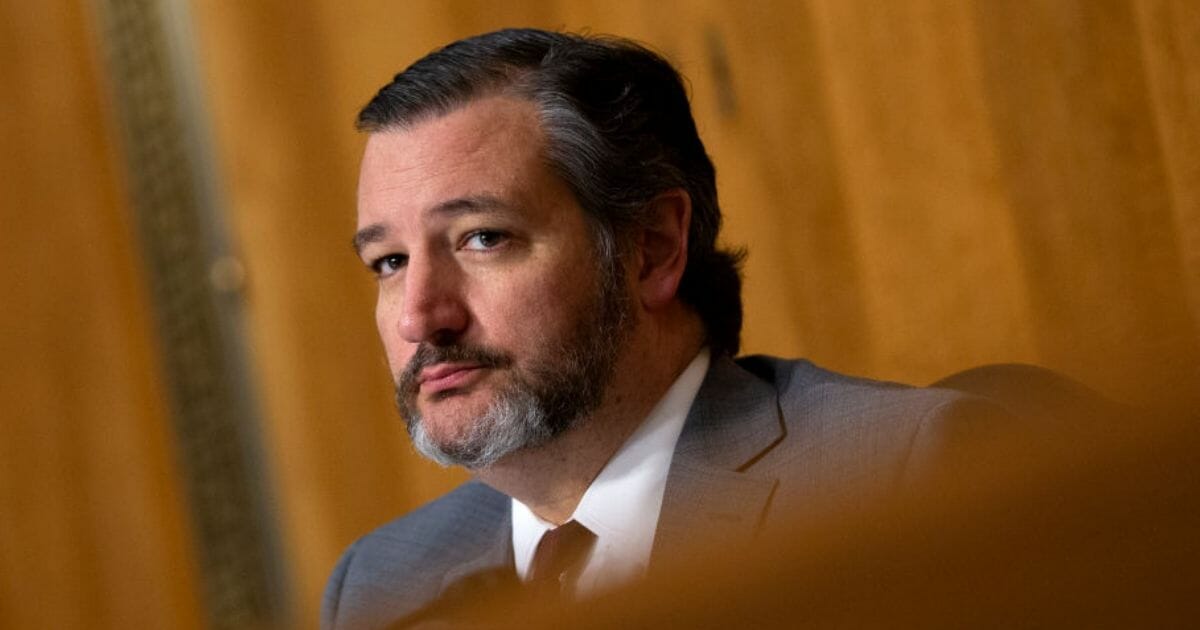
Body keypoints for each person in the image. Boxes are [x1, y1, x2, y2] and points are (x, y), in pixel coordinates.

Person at [322, 28, 1004, 630]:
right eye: (388, 261)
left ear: (652, 247)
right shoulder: (379, 586)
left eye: (483, 238)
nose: (418, 315)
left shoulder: (901, 486)